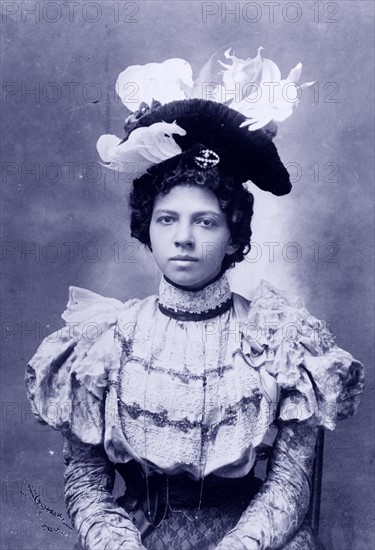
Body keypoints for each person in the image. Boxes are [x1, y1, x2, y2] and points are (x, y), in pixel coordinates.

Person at [25, 48, 364, 550]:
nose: (184, 238)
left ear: (233, 235)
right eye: (168, 219)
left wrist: (240, 545)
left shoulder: (281, 338)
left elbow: (289, 485)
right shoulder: (103, 339)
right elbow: (86, 485)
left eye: (205, 221)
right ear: (148, 228)